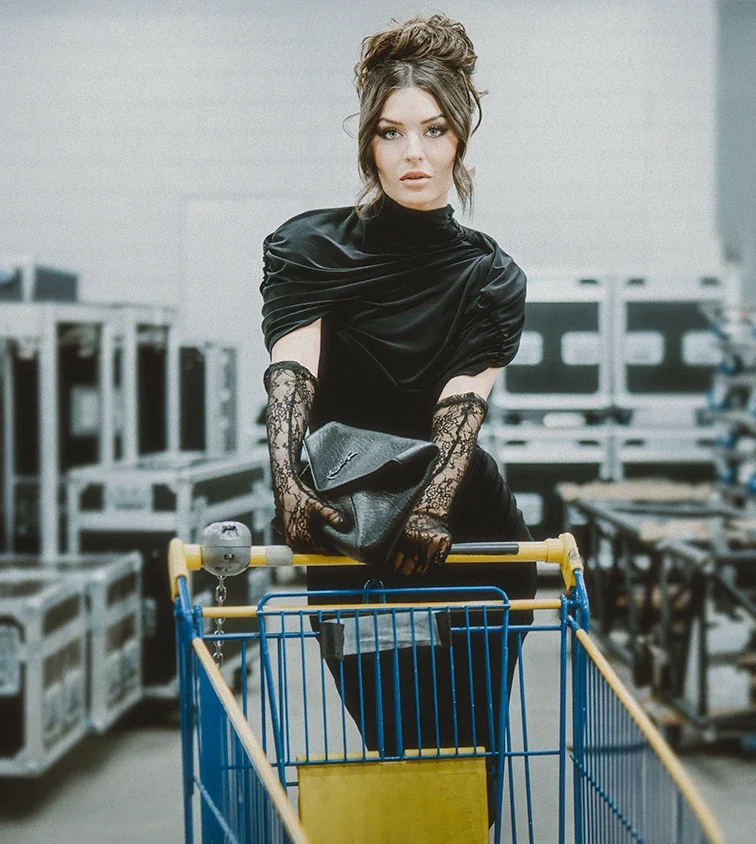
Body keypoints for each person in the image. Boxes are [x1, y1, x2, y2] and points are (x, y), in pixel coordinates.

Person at [257, 13, 534, 826]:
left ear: (459, 141)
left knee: (465, 755)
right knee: (395, 746)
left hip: (470, 539)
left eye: (433, 130)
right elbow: (293, 373)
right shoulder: (307, 248)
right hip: (350, 531)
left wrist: (437, 506)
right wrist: (288, 483)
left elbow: (462, 403)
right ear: (369, 147)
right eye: (392, 132)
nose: (414, 153)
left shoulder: (491, 276)